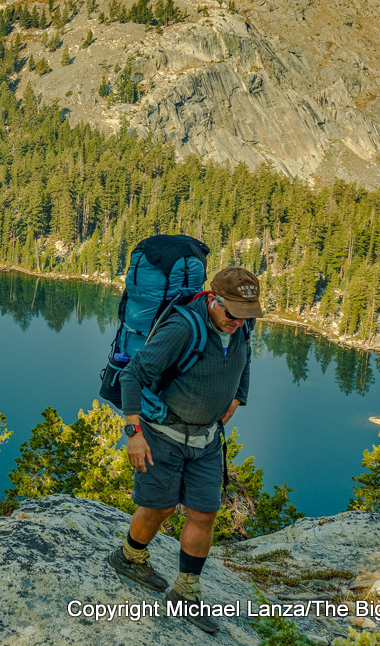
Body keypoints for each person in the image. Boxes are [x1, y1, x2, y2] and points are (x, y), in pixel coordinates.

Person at [106, 266, 262, 635]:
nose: (238, 323)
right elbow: (133, 374)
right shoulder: (184, 328)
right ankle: (129, 556)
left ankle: (186, 592)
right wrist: (134, 433)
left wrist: (239, 396)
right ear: (214, 300)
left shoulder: (241, 325)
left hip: (206, 440)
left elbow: (245, 358)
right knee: (158, 507)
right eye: (233, 314)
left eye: (246, 315)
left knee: (204, 513)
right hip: (163, 434)